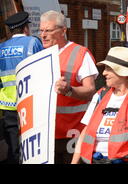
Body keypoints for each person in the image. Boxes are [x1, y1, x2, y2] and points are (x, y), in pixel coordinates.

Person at [39, 10, 98, 164]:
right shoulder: (40, 56)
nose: (43, 35)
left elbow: (90, 90)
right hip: (47, 132)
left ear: (63, 31)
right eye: (41, 30)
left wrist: (69, 90)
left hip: (73, 131)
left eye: (48, 30)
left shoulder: (80, 53)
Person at [0, 11, 43, 163]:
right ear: (26, 28)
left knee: (12, 144)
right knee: (31, 140)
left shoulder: (1, 47)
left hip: (7, 104)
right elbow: (42, 70)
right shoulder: (33, 42)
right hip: (29, 101)